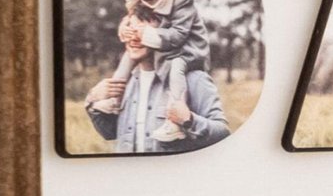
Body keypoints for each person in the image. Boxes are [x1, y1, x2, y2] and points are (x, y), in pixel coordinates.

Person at [91, 0, 211, 144]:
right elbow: (108, 133)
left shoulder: (181, 0)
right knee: (126, 58)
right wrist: (126, 28)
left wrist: (189, 121)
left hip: (186, 49)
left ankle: (173, 120)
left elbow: (179, 35)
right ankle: (113, 101)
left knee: (176, 68)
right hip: (160, 40)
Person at [85, 15, 230, 154]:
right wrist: (93, 101)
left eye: (142, 32)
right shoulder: (124, 82)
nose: (133, 38)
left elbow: (223, 134)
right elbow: (109, 133)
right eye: (130, 30)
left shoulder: (194, 79)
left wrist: (189, 121)